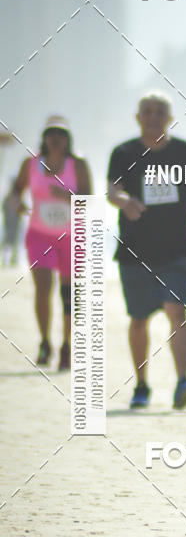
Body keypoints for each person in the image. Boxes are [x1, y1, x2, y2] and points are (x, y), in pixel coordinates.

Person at [107, 92, 186, 409]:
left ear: (169, 118)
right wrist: (125, 202)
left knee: (176, 310)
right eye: (147, 111)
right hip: (134, 252)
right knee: (139, 319)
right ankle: (141, 385)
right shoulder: (124, 152)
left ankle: (182, 381)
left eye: (160, 112)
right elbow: (112, 191)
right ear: (138, 117)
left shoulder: (185, 152)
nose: (153, 117)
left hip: (177, 251)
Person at [10, 116, 92, 369]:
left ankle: (66, 345)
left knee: (68, 292)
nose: (56, 139)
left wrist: (68, 197)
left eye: (61, 134)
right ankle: (45, 341)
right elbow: (16, 190)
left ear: (68, 139)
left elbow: (90, 200)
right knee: (43, 287)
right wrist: (18, 203)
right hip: (39, 234)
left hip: (71, 237)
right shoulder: (30, 164)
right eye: (51, 134)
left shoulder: (78, 164)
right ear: (44, 138)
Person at [2, 181, 23, 266]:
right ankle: (8, 259)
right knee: (10, 241)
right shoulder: (15, 197)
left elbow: (4, 207)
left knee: (11, 241)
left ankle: (11, 259)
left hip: (12, 222)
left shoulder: (13, 197)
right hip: (12, 222)